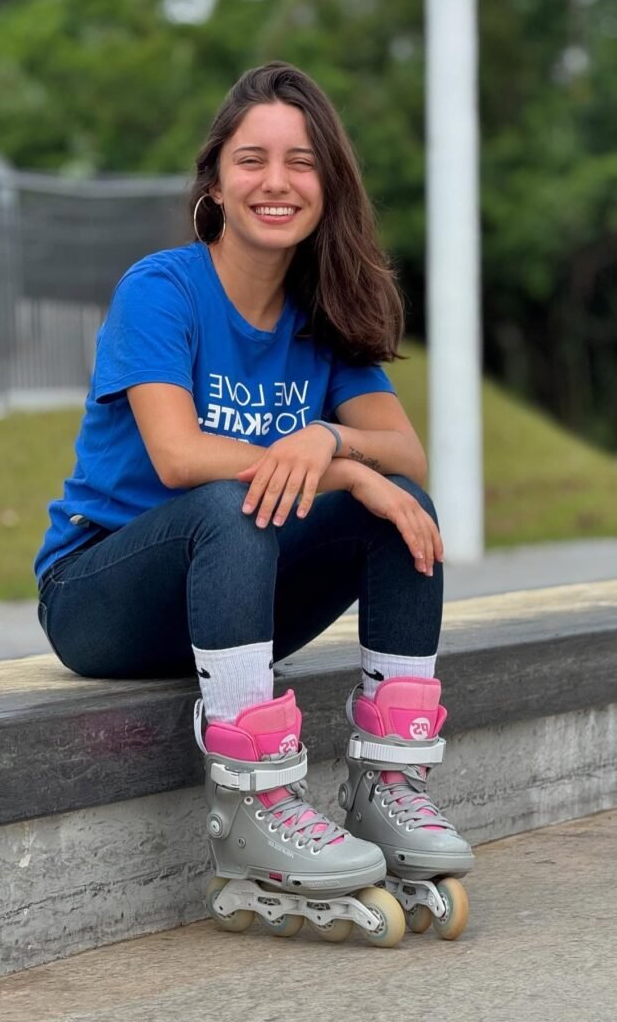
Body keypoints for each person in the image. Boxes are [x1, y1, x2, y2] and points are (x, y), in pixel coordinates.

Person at [35, 61, 473, 946]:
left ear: (328, 186)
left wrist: (337, 443)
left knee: (400, 503)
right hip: (103, 594)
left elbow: (403, 452)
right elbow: (179, 453)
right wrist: (340, 468)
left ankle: (387, 786)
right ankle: (252, 805)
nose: (275, 181)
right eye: (251, 160)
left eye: (300, 161)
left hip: (233, 602)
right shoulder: (162, 289)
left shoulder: (324, 318)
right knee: (236, 500)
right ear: (215, 183)